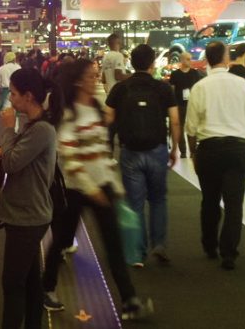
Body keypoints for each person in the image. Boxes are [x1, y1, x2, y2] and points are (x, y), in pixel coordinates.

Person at [41, 59, 151, 319]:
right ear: (79, 81)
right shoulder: (69, 114)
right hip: (77, 190)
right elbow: (69, 157)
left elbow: (102, 152)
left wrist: (113, 183)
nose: (96, 79)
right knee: (62, 240)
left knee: (113, 245)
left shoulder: (96, 109)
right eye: (91, 76)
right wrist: (91, 188)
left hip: (102, 187)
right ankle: (46, 288)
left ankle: (129, 300)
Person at [0, 68, 58, 329]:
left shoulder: (41, 129)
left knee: (13, 284)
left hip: (27, 216)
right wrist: (2, 151)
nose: (10, 99)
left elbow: (13, 163)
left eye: (13, 94)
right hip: (26, 212)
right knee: (31, 282)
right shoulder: (34, 126)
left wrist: (7, 130)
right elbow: (19, 158)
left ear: (28, 96)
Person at [185, 42, 245, 270]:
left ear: (207, 59)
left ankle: (210, 245)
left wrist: (193, 153)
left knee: (210, 200)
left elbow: (191, 127)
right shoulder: (242, 85)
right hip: (237, 148)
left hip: (209, 149)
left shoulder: (200, 87)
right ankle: (229, 253)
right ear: (226, 59)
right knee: (234, 204)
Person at [105, 44, 180, 267]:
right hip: (157, 150)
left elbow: (108, 120)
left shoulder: (120, 88)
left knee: (134, 202)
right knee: (158, 199)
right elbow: (175, 120)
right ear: (152, 63)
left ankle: (138, 254)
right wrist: (174, 148)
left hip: (130, 151)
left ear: (131, 63)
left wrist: (108, 147)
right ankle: (159, 244)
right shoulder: (163, 88)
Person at [168, 51, 204, 158]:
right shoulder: (175, 74)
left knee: (193, 126)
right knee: (180, 126)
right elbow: (172, 90)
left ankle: (194, 149)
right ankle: (183, 151)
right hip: (180, 104)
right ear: (182, 60)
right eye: (188, 59)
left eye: (190, 59)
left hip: (193, 104)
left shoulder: (195, 73)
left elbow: (198, 88)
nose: (190, 61)